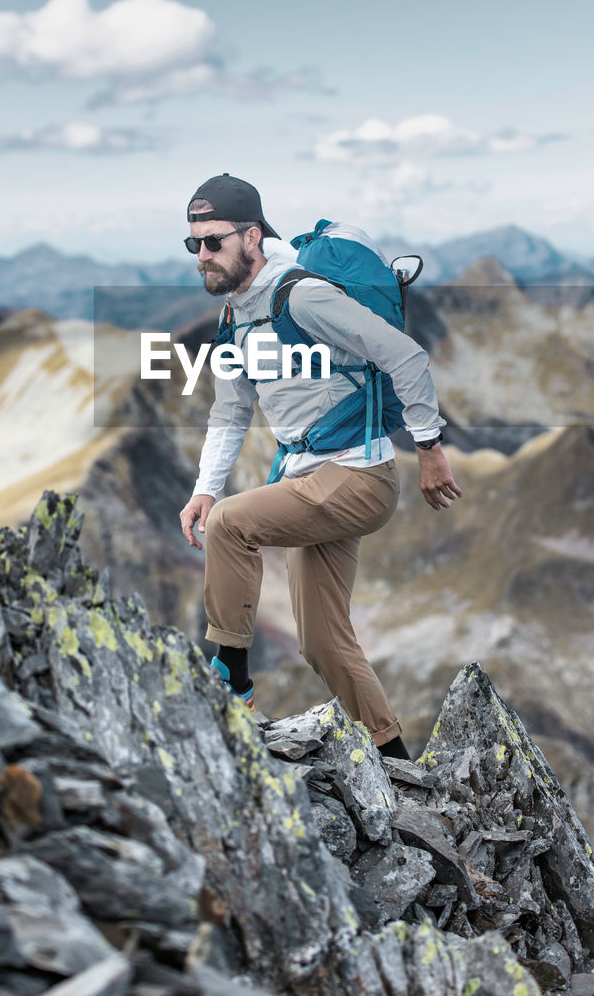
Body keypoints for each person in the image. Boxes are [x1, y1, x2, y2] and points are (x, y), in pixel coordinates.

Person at [178, 173, 461, 759]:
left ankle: (231, 685)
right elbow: (230, 413)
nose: (202, 256)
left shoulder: (302, 297)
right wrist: (204, 488)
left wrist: (429, 449)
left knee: (233, 525)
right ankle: (395, 759)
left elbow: (405, 357)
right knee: (323, 641)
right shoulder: (236, 319)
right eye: (193, 244)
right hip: (309, 478)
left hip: (359, 479)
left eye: (214, 242)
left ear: (252, 236)